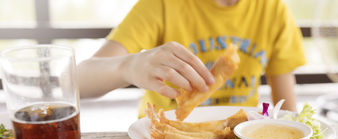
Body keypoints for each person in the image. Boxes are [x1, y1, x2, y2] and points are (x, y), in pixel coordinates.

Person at [77, 0, 306, 117]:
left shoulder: (273, 10)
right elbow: (79, 82)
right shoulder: (162, 5)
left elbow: (286, 112)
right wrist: (128, 66)